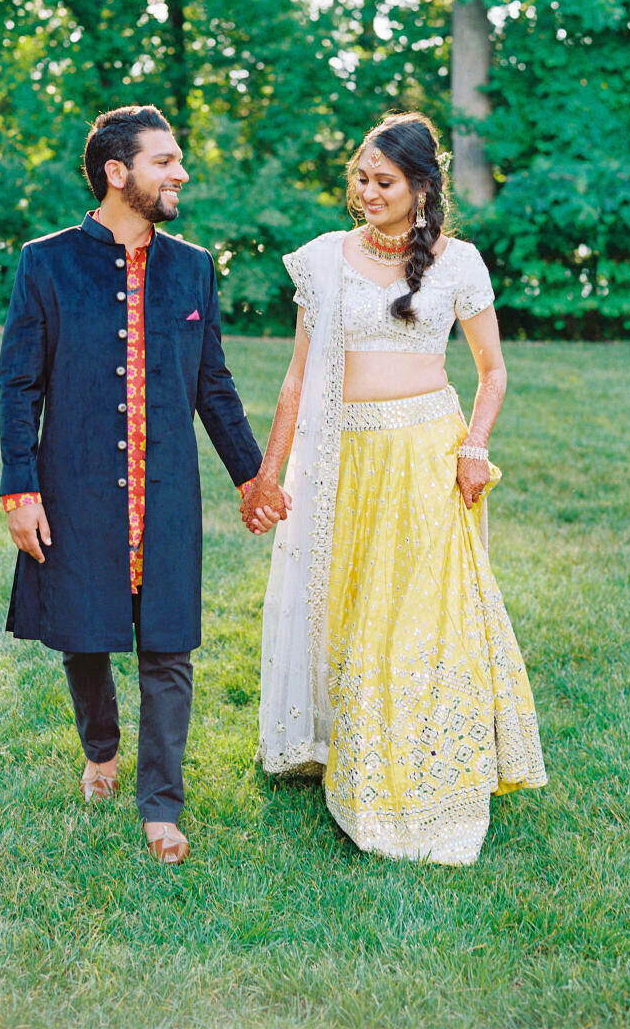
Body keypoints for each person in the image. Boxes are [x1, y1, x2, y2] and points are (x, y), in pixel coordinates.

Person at [242, 111, 547, 865]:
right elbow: (295, 378)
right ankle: (346, 745)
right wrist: (268, 473)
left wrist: (476, 446)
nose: (366, 192)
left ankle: (423, 764)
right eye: (361, 179)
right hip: (344, 460)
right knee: (348, 606)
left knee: (418, 614)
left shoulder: (459, 263)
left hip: (425, 456)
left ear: (421, 188)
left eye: (383, 182)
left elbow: (492, 371)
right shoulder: (324, 259)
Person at [0, 104, 264, 864]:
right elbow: (20, 385)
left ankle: (161, 804)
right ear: (118, 173)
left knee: (169, 647)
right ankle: (101, 750)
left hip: (168, 492)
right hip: (75, 484)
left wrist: (250, 476)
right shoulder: (44, 262)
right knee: (83, 636)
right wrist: (22, 490)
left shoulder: (193, 266)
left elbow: (213, 385)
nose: (180, 172)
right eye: (165, 161)